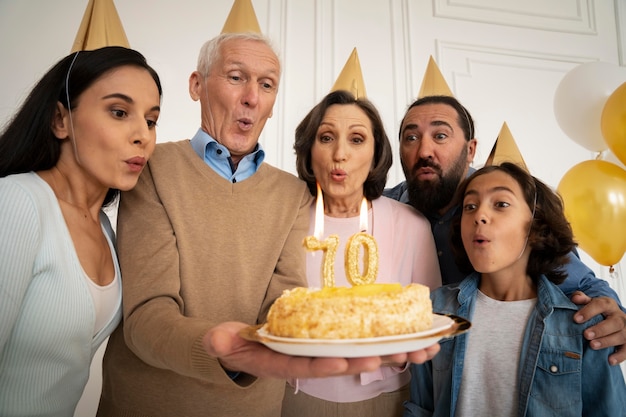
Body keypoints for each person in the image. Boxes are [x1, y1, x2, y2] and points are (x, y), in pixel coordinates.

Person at [97, 33, 439, 417]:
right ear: (196, 85)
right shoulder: (151, 167)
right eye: (235, 77)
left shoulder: (291, 194)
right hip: (149, 405)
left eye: (266, 84)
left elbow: (284, 300)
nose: (251, 98)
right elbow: (146, 316)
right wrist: (226, 350)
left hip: (256, 406)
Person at [384, 95, 626, 365]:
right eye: (411, 138)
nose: (424, 151)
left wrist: (615, 314)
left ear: (470, 149)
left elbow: (578, 282)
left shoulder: (510, 207)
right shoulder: (380, 210)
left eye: (440, 136)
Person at [0, 46, 162, 417]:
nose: (143, 135)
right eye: (119, 112)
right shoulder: (17, 202)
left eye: (151, 120)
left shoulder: (106, 227)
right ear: (60, 120)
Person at [404, 162, 626, 416]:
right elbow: (421, 408)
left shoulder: (584, 326)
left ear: (536, 224)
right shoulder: (434, 310)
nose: (479, 215)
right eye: (470, 206)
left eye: (501, 204)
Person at [280, 90, 442, 417]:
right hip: (297, 397)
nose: (340, 154)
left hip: (387, 400)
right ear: (310, 150)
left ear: (376, 153)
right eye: (326, 137)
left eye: (356, 139)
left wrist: (394, 350)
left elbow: (428, 321)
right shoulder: (285, 220)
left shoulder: (411, 225)